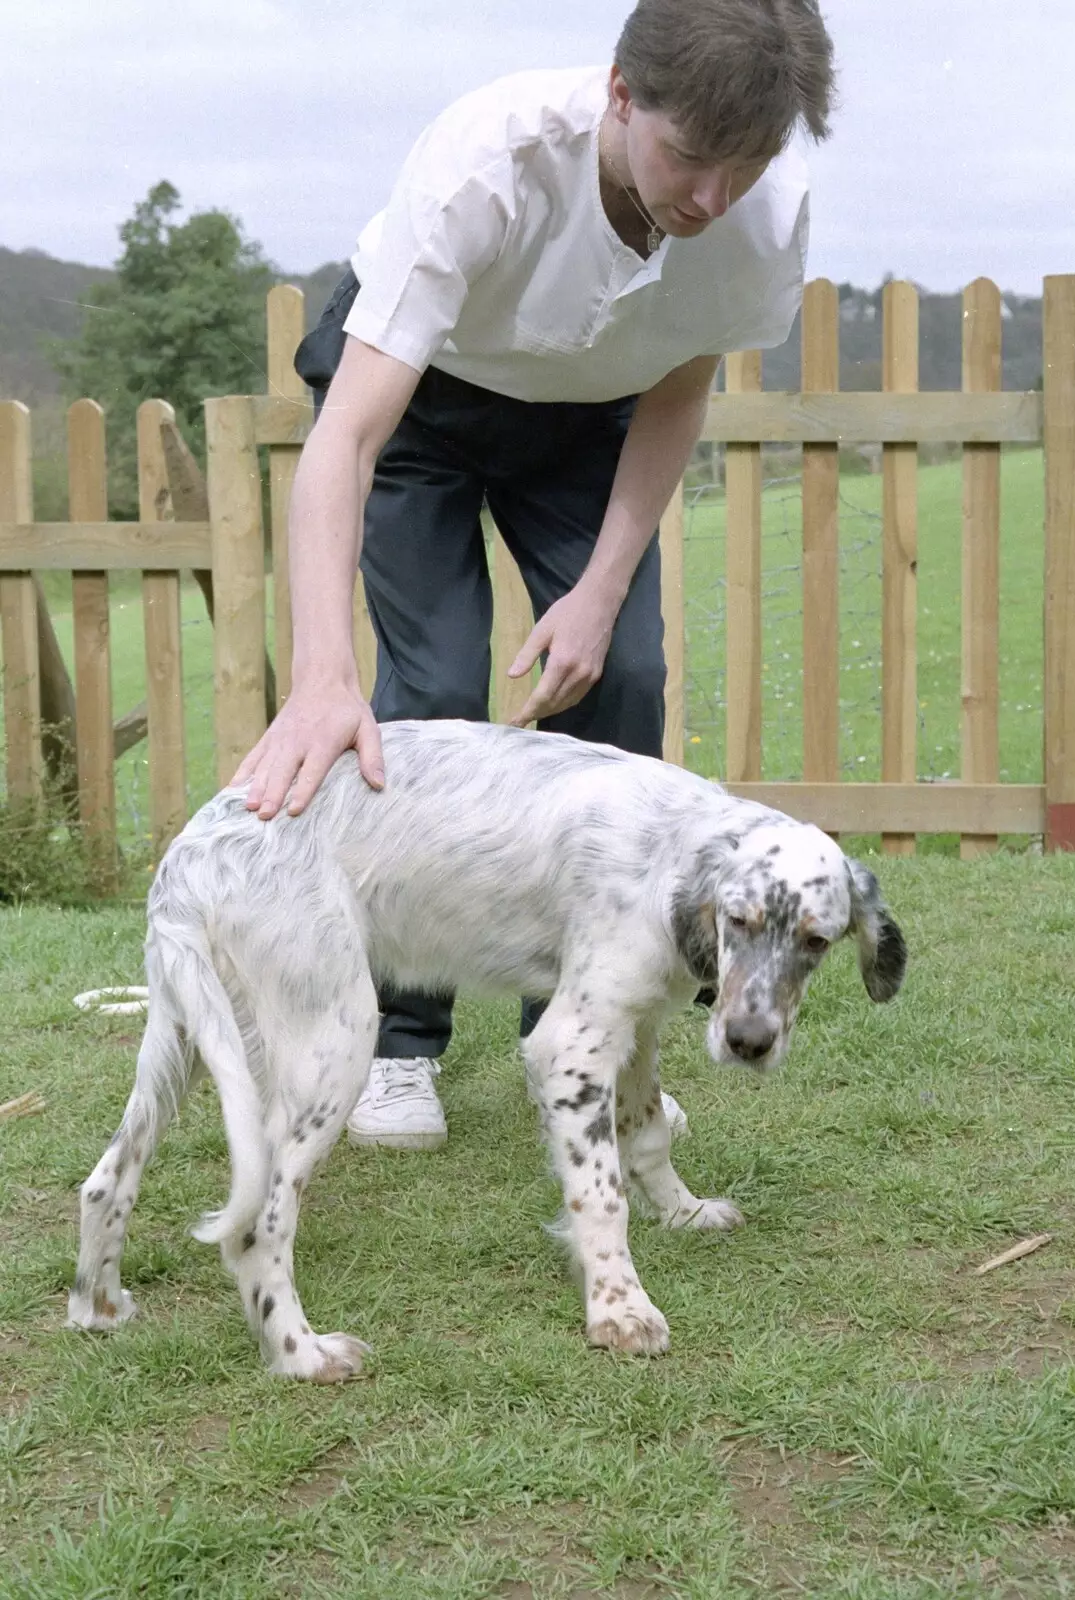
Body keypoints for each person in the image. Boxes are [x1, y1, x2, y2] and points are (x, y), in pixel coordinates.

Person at [233, 0, 836, 1150]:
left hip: (586, 419)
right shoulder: (487, 162)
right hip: (420, 404)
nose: (709, 198)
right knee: (434, 681)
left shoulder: (760, 216)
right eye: (687, 157)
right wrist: (320, 674)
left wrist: (602, 588)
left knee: (623, 678)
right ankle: (399, 1048)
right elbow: (348, 437)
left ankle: (577, 1018)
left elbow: (675, 385)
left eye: (743, 166)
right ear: (620, 92)